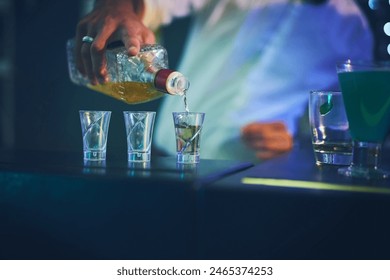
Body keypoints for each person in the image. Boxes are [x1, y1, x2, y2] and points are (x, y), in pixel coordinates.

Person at [75, 0, 373, 161]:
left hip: (257, 181)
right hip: (167, 164)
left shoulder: (355, 32)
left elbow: (338, 135)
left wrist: (295, 147)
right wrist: (120, 7)